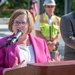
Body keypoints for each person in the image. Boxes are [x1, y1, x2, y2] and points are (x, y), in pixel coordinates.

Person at [0, 9, 60, 75]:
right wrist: (8, 71)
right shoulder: (3, 43)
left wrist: (53, 65)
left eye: (23, 22)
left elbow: (46, 63)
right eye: (16, 22)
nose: (20, 25)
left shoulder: (41, 43)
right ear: (12, 24)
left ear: (29, 25)